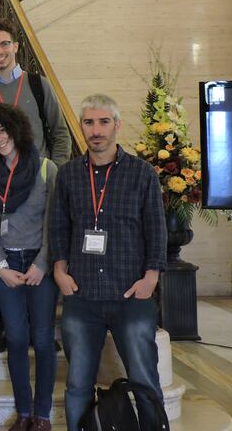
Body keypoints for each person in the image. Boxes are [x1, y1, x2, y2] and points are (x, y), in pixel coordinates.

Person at [49, 94, 167, 431]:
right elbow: (58, 226)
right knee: (77, 385)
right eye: (89, 122)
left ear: (117, 125)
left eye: (103, 122)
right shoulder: (69, 175)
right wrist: (59, 271)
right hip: (82, 296)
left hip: (130, 294)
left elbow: (156, 231)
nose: (96, 130)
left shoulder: (142, 173)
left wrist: (150, 278)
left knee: (145, 380)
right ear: (82, 126)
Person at [0, 18, 71, 353]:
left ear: (15, 46)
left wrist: (55, 173)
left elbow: (60, 132)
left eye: (4, 44)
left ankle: (43, 328)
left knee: (43, 250)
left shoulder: (38, 86)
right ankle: (5, 328)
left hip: (37, 185)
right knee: (0, 251)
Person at [0, 104, 58, 431]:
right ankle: (24, 413)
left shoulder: (47, 169)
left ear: (16, 129)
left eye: (2, 131)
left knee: (43, 339)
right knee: (17, 338)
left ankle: (43, 414)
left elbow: (55, 225)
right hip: (7, 266)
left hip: (40, 265)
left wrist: (41, 264)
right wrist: (1, 267)